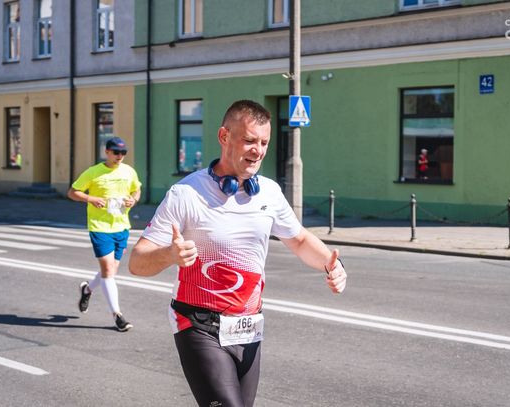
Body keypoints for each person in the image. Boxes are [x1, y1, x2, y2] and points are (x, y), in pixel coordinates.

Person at [128, 100, 347, 406]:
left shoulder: (269, 192)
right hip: (198, 324)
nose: (258, 150)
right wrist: (169, 255)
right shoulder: (186, 194)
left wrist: (332, 266)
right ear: (224, 136)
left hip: (248, 327)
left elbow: (298, 239)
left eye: (264, 143)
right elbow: (137, 262)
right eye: (249, 140)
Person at [68, 136, 141, 332]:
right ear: (107, 152)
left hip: (121, 227)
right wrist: (90, 198)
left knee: (110, 271)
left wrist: (133, 200)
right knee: (108, 271)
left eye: (123, 153)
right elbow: (73, 192)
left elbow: (136, 190)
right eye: (116, 152)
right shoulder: (93, 172)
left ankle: (87, 290)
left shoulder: (129, 171)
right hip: (99, 227)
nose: (120, 156)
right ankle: (118, 316)